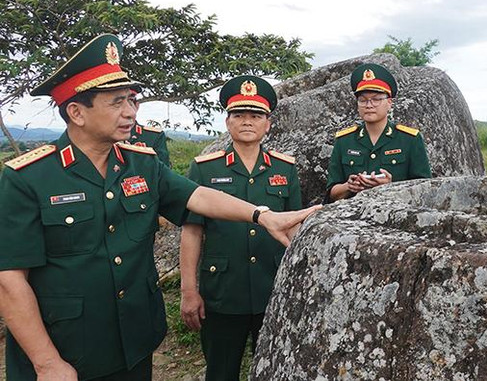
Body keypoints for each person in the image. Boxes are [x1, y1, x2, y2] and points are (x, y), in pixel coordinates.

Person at [0, 34, 319, 381]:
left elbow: (198, 197)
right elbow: (10, 279)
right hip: (66, 351)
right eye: (117, 102)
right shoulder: (28, 178)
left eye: (132, 101)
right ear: (76, 112)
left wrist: (262, 215)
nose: (130, 112)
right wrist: (46, 362)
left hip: (135, 340)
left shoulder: (142, 164)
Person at [179, 75, 300, 380]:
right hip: (222, 292)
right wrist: (189, 291)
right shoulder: (206, 168)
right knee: (221, 372)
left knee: (274, 370)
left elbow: (294, 228)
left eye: (256, 115)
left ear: (268, 123)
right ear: (228, 122)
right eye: (239, 115)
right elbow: (192, 231)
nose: (248, 121)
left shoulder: (285, 168)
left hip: (271, 287)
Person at [325, 63, 431, 203]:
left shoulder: (410, 139)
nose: (369, 105)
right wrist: (349, 186)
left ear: (389, 103)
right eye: (362, 100)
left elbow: (426, 191)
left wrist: (391, 186)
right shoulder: (344, 140)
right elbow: (331, 193)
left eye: (376, 99)